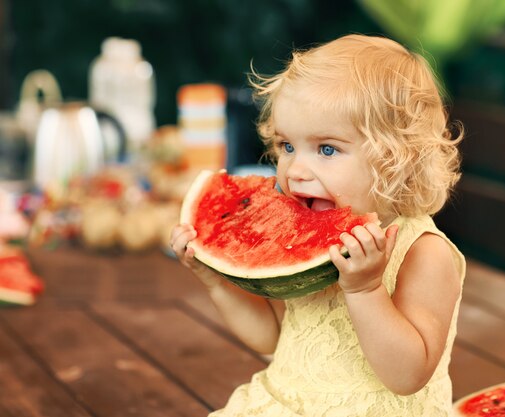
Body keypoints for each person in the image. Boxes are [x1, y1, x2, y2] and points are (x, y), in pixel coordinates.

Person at [170, 34, 465, 416]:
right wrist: (216, 279)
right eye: (286, 146)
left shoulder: (424, 252)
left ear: (396, 159)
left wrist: (365, 289)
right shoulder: (300, 236)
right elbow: (271, 338)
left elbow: (408, 375)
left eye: (327, 149)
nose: (295, 170)